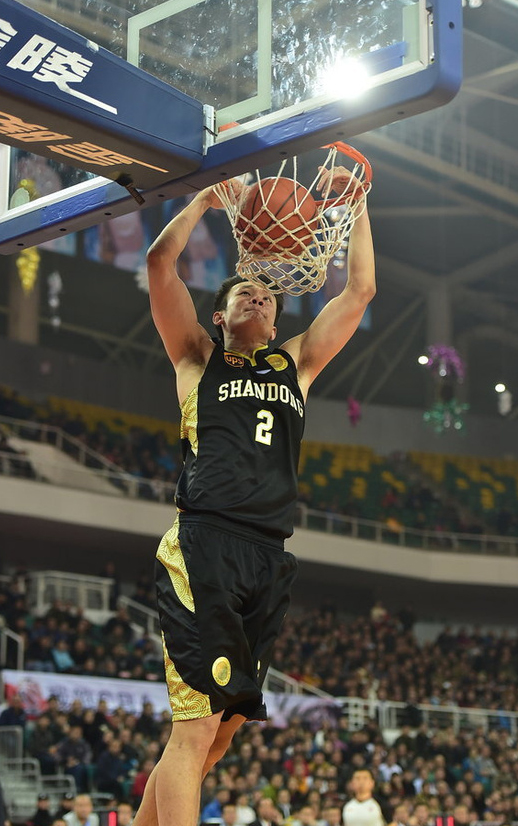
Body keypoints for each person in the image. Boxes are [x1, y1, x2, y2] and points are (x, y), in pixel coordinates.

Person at [134, 165, 375, 826]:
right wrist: (202, 200)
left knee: (219, 735)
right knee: (192, 734)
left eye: (266, 293)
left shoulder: (296, 363)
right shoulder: (194, 358)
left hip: (268, 555)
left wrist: (355, 205)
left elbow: (360, 291)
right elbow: (159, 264)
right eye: (244, 291)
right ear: (221, 314)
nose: (258, 297)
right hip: (205, 544)